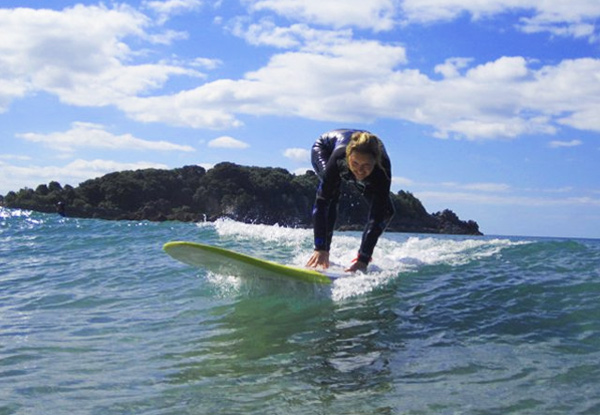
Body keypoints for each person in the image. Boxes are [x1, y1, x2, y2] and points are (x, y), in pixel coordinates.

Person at [306, 129, 395, 273]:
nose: (359, 170)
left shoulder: (382, 171)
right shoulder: (339, 157)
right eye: (355, 163)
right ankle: (322, 255)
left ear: (375, 162)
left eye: (366, 166)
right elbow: (322, 202)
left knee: (386, 211)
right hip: (325, 149)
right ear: (348, 158)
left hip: (362, 157)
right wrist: (320, 248)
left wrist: (363, 260)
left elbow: (376, 216)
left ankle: (363, 254)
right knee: (331, 194)